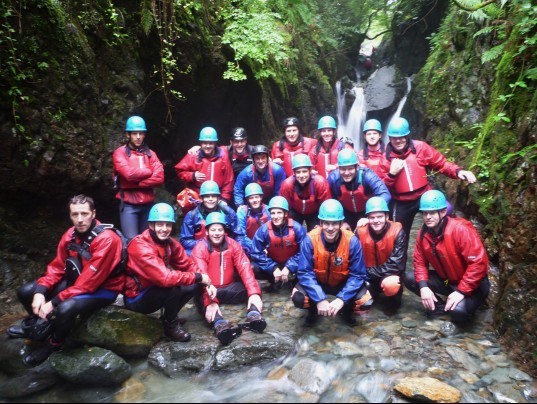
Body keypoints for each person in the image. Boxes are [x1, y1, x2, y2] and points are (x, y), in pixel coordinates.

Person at [7, 195, 125, 366]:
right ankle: (38, 328)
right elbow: (57, 267)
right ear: (70, 215)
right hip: (77, 282)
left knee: (65, 307)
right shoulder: (70, 235)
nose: (79, 219)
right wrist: (40, 292)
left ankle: (54, 343)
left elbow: (89, 283)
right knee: (26, 291)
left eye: (84, 214)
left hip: (103, 289)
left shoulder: (107, 239)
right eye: (74, 214)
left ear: (93, 214)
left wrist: (54, 301)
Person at [123, 203, 216, 342]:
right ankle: (170, 325)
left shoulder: (170, 243)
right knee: (172, 287)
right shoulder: (140, 246)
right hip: (136, 297)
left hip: (154, 290)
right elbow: (165, 278)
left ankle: (168, 317)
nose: (164, 229)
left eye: (168, 225)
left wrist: (206, 281)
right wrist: (198, 277)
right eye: (160, 225)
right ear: (151, 225)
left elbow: (187, 264)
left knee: (195, 284)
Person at [383, 117, 476, 242]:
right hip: (401, 202)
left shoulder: (420, 148)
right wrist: (392, 174)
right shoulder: (384, 158)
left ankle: (450, 245)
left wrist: (458, 171)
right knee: (398, 238)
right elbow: (382, 188)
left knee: (446, 211)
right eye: (394, 138)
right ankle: (401, 260)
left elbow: (441, 163)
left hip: (423, 195)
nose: (398, 140)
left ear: (407, 136)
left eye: (402, 137)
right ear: (389, 138)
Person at [404, 190, 490, 323]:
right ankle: (440, 309)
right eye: (425, 213)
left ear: (443, 212)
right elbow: (420, 263)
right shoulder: (423, 234)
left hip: (474, 285)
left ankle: (460, 306)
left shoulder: (460, 230)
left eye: (432, 213)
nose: (428, 217)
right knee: (410, 278)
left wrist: (461, 292)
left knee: (458, 313)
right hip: (447, 281)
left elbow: (478, 263)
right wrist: (424, 287)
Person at [292, 199, 372, 326]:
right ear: (321, 223)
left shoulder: (352, 241)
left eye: (334, 224)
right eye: (326, 223)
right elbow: (305, 273)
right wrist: (320, 299)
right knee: (298, 297)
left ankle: (345, 311)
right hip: (319, 282)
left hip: (341, 282)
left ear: (341, 223)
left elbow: (358, 275)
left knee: (365, 300)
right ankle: (313, 311)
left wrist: (341, 299)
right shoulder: (309, 239)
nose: (330, 228)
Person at [192, 212, 266, 345]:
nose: (216, 233)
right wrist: (211, 301)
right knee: (200, 297)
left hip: (229, 288)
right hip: (208, 290)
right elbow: (201, 273)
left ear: (224, 231)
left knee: (254, 288)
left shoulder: (233, 245)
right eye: (213, 229)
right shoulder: (200, 248)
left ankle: (253, 315)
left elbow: (245, 268)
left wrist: (254, 293)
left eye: (220, 229)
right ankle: (220, 324)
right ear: (207, 231)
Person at [112, 115, 165, 239]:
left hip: (148, 204)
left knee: (148, 240)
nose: (138, 137)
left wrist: (138, 183)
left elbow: (160, 177)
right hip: (129, 204)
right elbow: (128, 174)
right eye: (135, 133)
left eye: (141, 133)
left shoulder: (151, 154)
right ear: (128, 135)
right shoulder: (120, 153)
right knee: (131, 241)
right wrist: (148, 171)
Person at [355, 197, 406, 315]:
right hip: (368, 278)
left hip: (388, 276)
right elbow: (353, 261)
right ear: (367, 218)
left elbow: (396, 265)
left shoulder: (398, 232)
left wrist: (367, 272)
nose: (376, 221)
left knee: (391, 284)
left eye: (380, 217)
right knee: (359, 307)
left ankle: (392, 305)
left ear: (387, 217)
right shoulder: (360, 232)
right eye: (372, 217)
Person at [250, 196, 306, 292]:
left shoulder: (297, 228)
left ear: (285, 214)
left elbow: (305, 251)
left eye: (279, 213)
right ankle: (275, 280)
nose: (275, 217)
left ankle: (296, 281)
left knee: (309, 263)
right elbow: (255, 253)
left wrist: (289, 266)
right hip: (274, 263)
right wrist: (273, 267)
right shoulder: (263, 230)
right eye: (273, 213)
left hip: (293, 264)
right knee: (252, 267)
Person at [327, 149, 391, 231]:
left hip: (367, 211)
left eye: (350, 169)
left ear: (356, 167)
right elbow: (330, 201)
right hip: (347, 213)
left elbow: (385, 194)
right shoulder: (333, 179)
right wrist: (341, 221)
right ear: (338, 168)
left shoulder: (367, 175)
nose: (346, 173)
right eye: (343, 169)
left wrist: (371, 217)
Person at [179, 180, 244, 255]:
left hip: (225, 249)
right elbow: (185, 241)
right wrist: (206, 244)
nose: (210, 199)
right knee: (187, 253)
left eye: (213, 196)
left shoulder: (228, 212)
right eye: (207, 196)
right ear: (202, 198)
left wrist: (234, 248)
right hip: (202, 250)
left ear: (218, 198)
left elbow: (239, 235)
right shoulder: (192, 215)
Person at [174, 126, 234, 203]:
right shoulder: (194, 155)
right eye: (205, 143)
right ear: (200, 143)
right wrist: (192, 176)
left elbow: (228, 180)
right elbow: (180, 171)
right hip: (197, 197)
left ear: (215, 143)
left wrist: (224, 199)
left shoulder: (223, 156)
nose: (208, 146)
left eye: (211, 143)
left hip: (217, 198)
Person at [279, 153, 331, 230]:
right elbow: (284, 207)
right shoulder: (287, 185)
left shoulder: (320, 183)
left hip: (314, 213)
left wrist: (322, 223)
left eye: (304, 171)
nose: (301, 175)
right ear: (294, 173)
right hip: (295, 212)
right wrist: (287, 222)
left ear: (310, 171)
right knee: (291, 232)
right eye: (298, 172)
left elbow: (326, 206)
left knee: (316, 234)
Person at [186, 127, 254, 181]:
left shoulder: (254, 151)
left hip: (251, 186)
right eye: (236, 141)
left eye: (242, 141)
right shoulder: (224, 151)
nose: (239, 144)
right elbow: (210, 149)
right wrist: (198, 148)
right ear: (231, 142)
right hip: (233, 186)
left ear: (246, 141)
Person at [236, 183, 270, 254]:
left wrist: (266, 247)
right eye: (251, 198)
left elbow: (271, 231)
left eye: (257, 197)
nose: (254, 200)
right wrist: (257, 247)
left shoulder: (268, 209)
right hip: (248, 244)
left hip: (265, 244)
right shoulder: (242, 211)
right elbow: (241, 235)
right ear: (247, 199)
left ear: (261, 197)